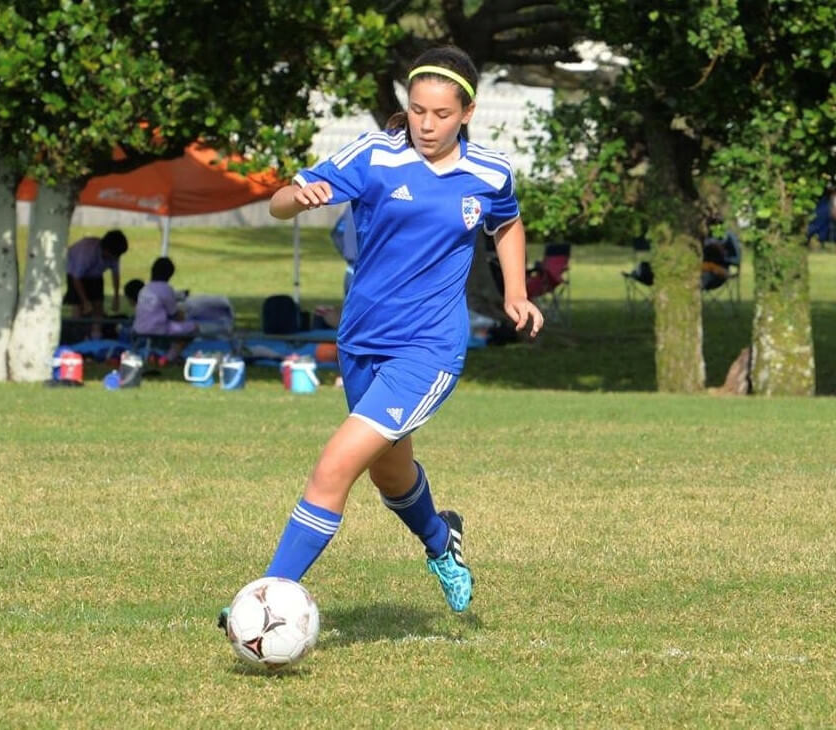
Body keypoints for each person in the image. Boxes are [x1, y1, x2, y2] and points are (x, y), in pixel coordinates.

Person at [221, 46, 543, 626]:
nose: (426, 124)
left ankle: (266, 597)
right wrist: (299, 198)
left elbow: (508, 221)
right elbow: (277, 204)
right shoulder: (374, 155)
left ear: (467, 112)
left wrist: (515, 292)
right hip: (362, 340)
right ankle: (442, 540)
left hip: (429, 349)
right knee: (389, 472)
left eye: (441, 114)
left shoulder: (488, 171)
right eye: (417, 110)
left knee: (333, 467)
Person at [64, 229, 128, 338]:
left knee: (98, 308)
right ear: (106, 250)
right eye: (113, 256)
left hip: (95, 276)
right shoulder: (87, 253)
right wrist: (85, 301)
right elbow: (76, 279)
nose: (115, 259)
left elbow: (115, 274)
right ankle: (76, 338)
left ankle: (96, 338)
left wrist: (116, 297)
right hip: (75, 275)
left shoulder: (115, 254)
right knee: (79, 309)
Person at [133, 257, 198, 363]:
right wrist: (183, 316)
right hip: (158, 328)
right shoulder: (166, 289)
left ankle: (160, 354)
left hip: (138, 327)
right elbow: (174, 314)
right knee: (193, 328)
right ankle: (168, 358)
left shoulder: (145, 288)